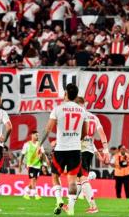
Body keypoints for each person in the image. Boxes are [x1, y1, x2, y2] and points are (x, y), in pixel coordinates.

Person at [39, 84, 88, 216]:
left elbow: (48, 129)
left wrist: (39, 144)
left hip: (61, 149)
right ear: (76, 95)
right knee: (72, 181)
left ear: (65, 93)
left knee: (55, 176)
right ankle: (70, 209)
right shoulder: (82, 111)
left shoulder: (57, 109)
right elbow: (85, 133)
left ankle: (59, 199)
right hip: (75, 149)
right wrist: (76, 138)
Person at [74, 97, 109, 214]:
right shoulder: (94, 118)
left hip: (80, 150)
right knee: (79, 179)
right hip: (88, 151)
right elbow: (102, 135)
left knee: (82, 178)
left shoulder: (78, 118)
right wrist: (105, 151)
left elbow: (78, 137)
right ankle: (70, 204)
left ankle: (93, 206)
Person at [19, 130, 48, 200]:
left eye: (38, 135)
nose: (37, 136)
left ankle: (26, 193)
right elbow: (22, 155)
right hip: (30, 165)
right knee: (33, 179)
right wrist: (20, 164)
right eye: (36, 135)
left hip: (38, 165)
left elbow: (43, 154)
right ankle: (36, 194)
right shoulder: (27, 144)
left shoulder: (40, 144)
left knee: (34, 180)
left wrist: (44, 164)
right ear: (32, 135)